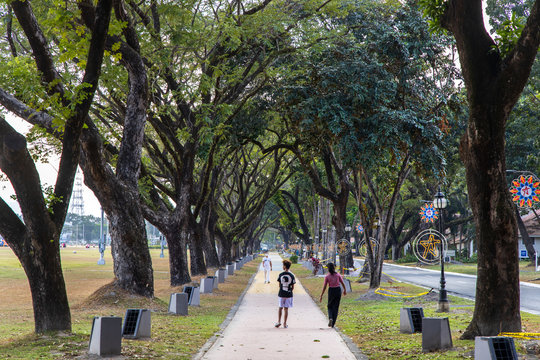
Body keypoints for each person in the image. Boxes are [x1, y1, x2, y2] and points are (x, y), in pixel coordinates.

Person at [319, 262, 347, 328]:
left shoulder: (327, 276)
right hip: (338, 290)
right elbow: (342, 283)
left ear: (328, 269)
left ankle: (330, 317)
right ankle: (333, 323)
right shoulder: (338, 275)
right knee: (336, 307)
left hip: (331, 290)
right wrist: (344, 290)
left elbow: (325, 286)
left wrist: (321, 295)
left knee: (330, 306)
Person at [275, 259, 295, 329]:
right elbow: (293, 287)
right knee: (286, 309)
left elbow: (279, 285)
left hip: (281, 293)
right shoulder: (292, 275)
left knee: (280, 308)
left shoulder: (281, 275)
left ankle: (278, 321)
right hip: (289, 294)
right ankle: (285, 323)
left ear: (284, 266)